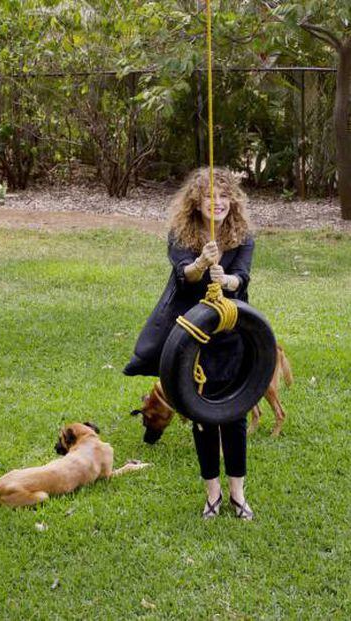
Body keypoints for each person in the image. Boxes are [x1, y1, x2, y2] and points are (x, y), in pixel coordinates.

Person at [124, 166, 255, 520]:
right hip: (191, 339)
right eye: (210, 197)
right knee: (202, 416)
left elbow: (241, 278)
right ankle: (212, 494)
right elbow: (184, 277)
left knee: (234, 415)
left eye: (224, 196)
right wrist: (200, 263)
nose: (218, 203)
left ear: (233, 202)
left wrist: (223, 278)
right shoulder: (181, 234)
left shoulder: (242, 236)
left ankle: (238, 495)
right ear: (196, 203)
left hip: (230, 335)